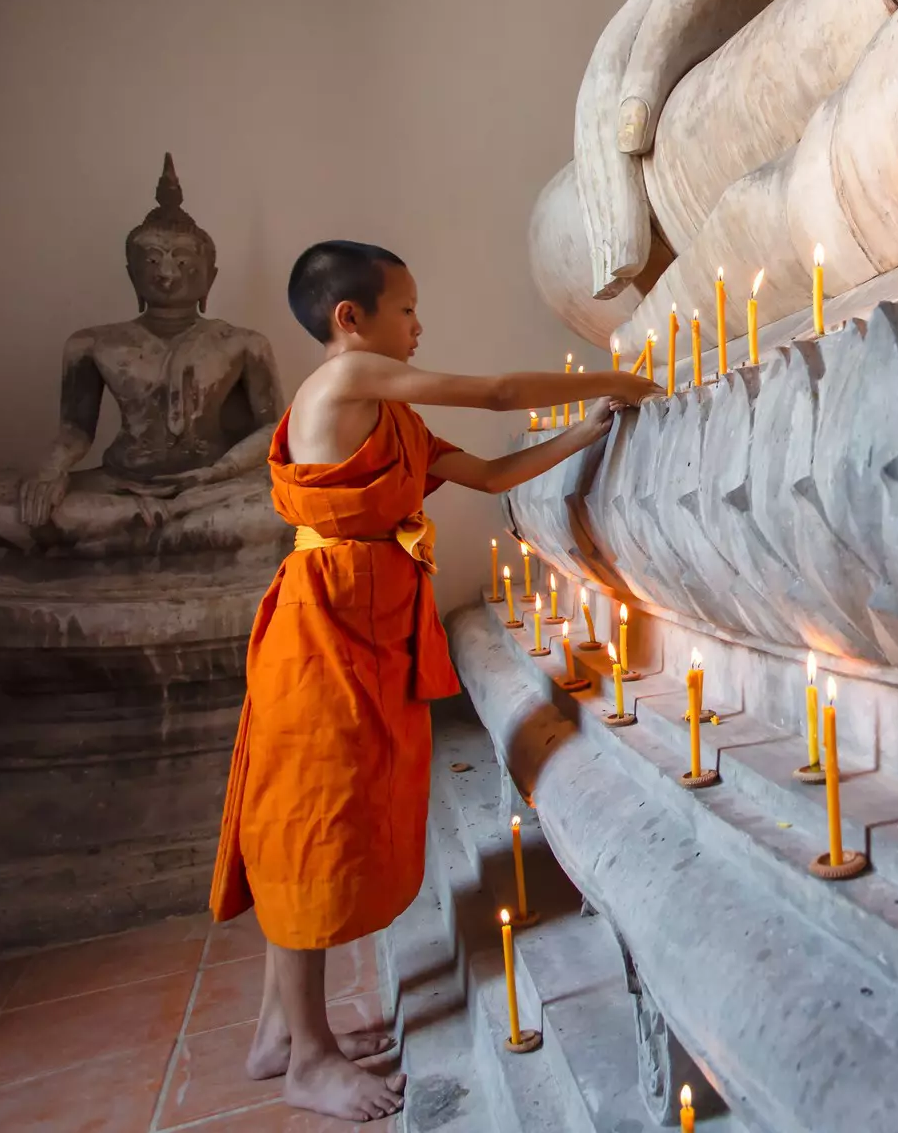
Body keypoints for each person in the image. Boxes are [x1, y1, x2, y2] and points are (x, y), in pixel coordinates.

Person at [209, 240, 656, 1122]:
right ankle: (307, 1057)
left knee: (316, 815)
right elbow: (494, 395)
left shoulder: (384, 411)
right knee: (306, 823)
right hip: (320, 630)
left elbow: (487, 475)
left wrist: (587, 434)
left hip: (360, 625)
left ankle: (276, 1030)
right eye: (405, 309)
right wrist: (624, 385)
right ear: (352, 319)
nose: (418, 325)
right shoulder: (343, 383)